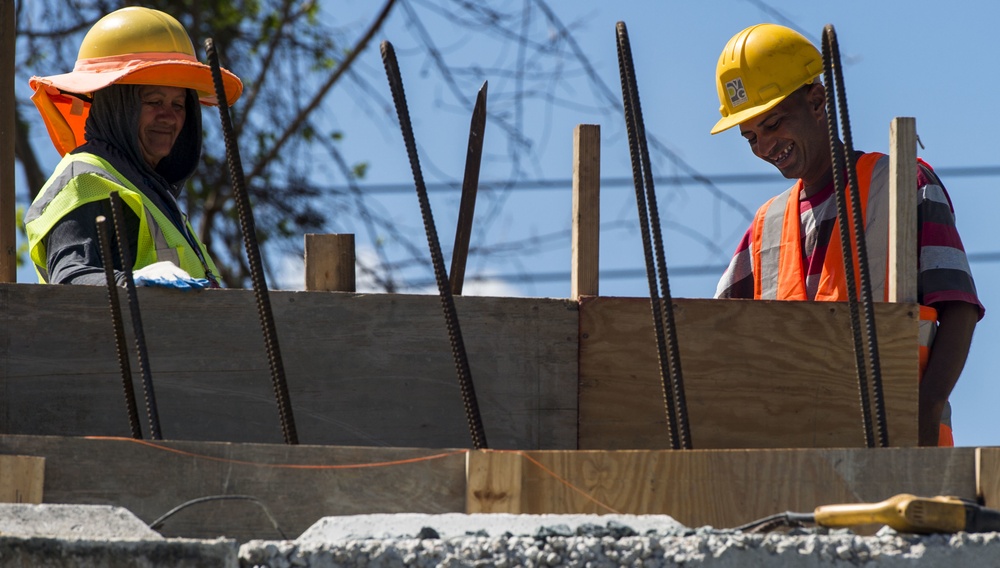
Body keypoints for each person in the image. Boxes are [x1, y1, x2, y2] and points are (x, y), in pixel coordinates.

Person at [710, 24, 983, 447]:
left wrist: (924, 413)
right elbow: (711, 337)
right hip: (792, 465)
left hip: (898, 452)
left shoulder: (901, 184)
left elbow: (959, 309)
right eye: (750, 137)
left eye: (773, 123)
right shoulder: (765, 226)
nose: (764, 146)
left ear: (817, 101)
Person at [24, 6, 243, 289]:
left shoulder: (154, 197)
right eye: (153, 101)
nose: (169, 117)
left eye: (178, 105)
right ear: (118, 106)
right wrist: (133, 284)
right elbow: (69, 278)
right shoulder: (84, 180)